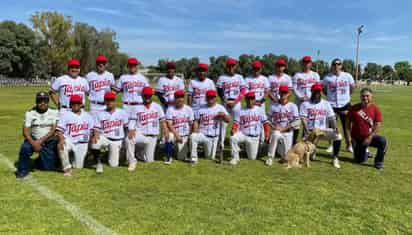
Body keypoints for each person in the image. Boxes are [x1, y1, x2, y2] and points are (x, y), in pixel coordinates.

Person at [16, 92, 59, 179]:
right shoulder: (30, 113)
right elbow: (25, 132)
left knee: (48, 168)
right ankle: (22, 171)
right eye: (39, 101)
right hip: (33, 138)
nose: (42, 103)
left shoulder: (54, 111)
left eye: (45, 101)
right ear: (36, 101)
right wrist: (34, 143)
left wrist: (40, 141)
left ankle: (39, 161)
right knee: (25, 148)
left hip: (48, 139)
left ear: (48, 101)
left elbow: (53, 129)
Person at [300, 83, 342, 169]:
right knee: (309, 155)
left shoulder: (326, 103)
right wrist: (307, 131)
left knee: (338, 136)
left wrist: (335, 127)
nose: (317, 93)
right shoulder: (305, 104)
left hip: (323, 131)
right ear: (311, 91)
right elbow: (303, 119)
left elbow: (331, 118)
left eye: (319, 91)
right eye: (315, 91)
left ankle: (335, 158)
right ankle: (313, 150)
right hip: (310, 131)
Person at [126, 87, 168, 171]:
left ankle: (139, 153)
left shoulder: (157, 107)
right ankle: (132, 161)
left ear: (151, 95)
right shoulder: (137, 107)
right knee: (129, 139)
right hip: (141, 134)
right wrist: (131, 129)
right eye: (145, 95)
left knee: (149, 160)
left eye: (149, 95)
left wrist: (165, 130)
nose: (147, 97)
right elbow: (132, 121)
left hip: (153, 136)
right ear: (142, 96)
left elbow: (163, 120)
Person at [347, 88, 387, 170]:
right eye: (363, 96)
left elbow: (377, 125)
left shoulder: (375, 109)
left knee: (383, 141)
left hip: (369, 138)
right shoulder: (354, 108)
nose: (365, 98)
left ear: (371, 97)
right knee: (360, 161)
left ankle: (378, 162)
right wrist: (349, 139)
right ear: (360, 97)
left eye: (367, 96)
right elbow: (347, 125)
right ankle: (365, 153)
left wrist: (370, 137)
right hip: (357, 139)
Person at [323, 58, 356, 153]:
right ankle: (331, 145)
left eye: (338, 64)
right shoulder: (327, 77)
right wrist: (330, 97)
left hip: (345, 104)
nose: (336, 66)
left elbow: (352, 87)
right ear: (332, 65)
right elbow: (324, 89)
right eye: (334, 64)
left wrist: (346, 97)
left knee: (347, 126)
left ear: (341, 65)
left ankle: (349, 145)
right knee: (331, 127)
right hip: (331, 105)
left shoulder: (347, 76)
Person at [90, 92, 129, 173]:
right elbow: (96, 128)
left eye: (111, 100)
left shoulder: (122, 112)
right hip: (105, 137)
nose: (109, 102)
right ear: (104, 101)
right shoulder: (100, 113)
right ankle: (98, 163)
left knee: (113, 165)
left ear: (115, 101)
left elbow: (126, 127)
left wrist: (125, 142)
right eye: (107, 100)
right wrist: (95, 136)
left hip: (117, 140)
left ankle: (106, 155)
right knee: (95, 143)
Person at [56, 95, 94, 176]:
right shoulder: (65, 115)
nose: (75, 104)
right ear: (70, 104)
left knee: (78, 167)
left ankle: (71, 158)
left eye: (77, 103)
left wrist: (90, 145)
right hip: (69, 141)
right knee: (61, 145)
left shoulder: (88, 116)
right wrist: (61, 139)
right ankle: (67, 169)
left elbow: (91, 131)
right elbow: (59, 130)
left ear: (81, 104)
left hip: (82, 143)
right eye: (73, 103)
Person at [190, 90, 230, 164]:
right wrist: (195, 131)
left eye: (212, 97)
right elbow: (196, 121)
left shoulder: (220, 107)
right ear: (206, 98)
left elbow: (228, 120)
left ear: (215, 98)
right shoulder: (201, 108)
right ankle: (193, 158)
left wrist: (224, 115)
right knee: (193, 136)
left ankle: (205, 151)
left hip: (213, 137)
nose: (210, 99)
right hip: (203, 134)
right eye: (208, 97)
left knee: (210, 157)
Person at [230, 92, 270, 165]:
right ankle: (235, 157)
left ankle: (244, 149)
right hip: (243, 134)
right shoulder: (240, 110)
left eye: (252, 99)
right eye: (248, 99)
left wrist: (267, 134)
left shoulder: (260, 110)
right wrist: (234, 129)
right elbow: (236, 123)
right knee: (233, 138)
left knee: (252, 158)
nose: (250, 100)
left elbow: (266, 123)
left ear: (255, 100)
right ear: (245, 99)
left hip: (254, 137)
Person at [266, 85, 300, 166]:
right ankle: (270, 157)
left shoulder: (293, 106)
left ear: (288, 94)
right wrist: (273, 127)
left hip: (288, 132)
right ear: (279, 93)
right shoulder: (273, 106)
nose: (283, 94)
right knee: (275, 134)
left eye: (285, 92)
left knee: (285, 155)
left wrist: (285, 128)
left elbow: (297, 121)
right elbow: (266, 119)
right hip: (277, 131)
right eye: (282, 92)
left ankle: (274, 148)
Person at [216, 58, 246, 143]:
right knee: (223, 124)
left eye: (233, 66)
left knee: (238, 123)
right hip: (225, 103)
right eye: (229, 66)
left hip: (236, 103)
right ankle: (220, 143)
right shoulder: (222, 77)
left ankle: (236, 142)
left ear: (235, 66)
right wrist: (225, 101)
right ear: (226, 67)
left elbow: (243, 90)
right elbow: (219, 90)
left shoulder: (239, 77)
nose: (231, 68)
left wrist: (235, 102)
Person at [292, 56, 320, 144]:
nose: (306, 64)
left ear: (311, 63)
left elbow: (318, 88)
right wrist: (300, 97)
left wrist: (314, 97)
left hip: (311, 102)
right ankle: (294, 141)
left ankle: (307, 142)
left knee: (308, 123)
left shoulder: (315, 75)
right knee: (297, 123)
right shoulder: (297, 75)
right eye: (305, 62)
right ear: (302, 63)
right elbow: (294, 88)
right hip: (300, 102)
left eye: (308, 62)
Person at [164, 90, 195, 164]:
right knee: (170, 135)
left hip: (184, 135)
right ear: (175, 98)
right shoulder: (170, 109)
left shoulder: (189, 109)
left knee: (180, 158)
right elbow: (169, 124)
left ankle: (174, 149)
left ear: (184, 98)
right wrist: (177, 135)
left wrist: (188, 137)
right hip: (175, 135)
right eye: (178, 97)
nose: (180, 99)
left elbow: (191, 124)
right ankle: (168, 157)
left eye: (181, 97)